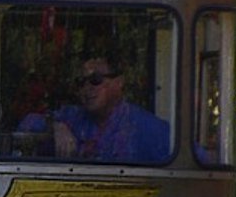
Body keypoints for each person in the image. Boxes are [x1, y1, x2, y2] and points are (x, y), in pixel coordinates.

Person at [18, 56, 170, 163]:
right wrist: (55, 127)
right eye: (80, 82)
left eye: (95, 80)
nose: (87, 88)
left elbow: (189, 163)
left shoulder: (147, 128)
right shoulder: (72, 117)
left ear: (119, 82)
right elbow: (25, 125)